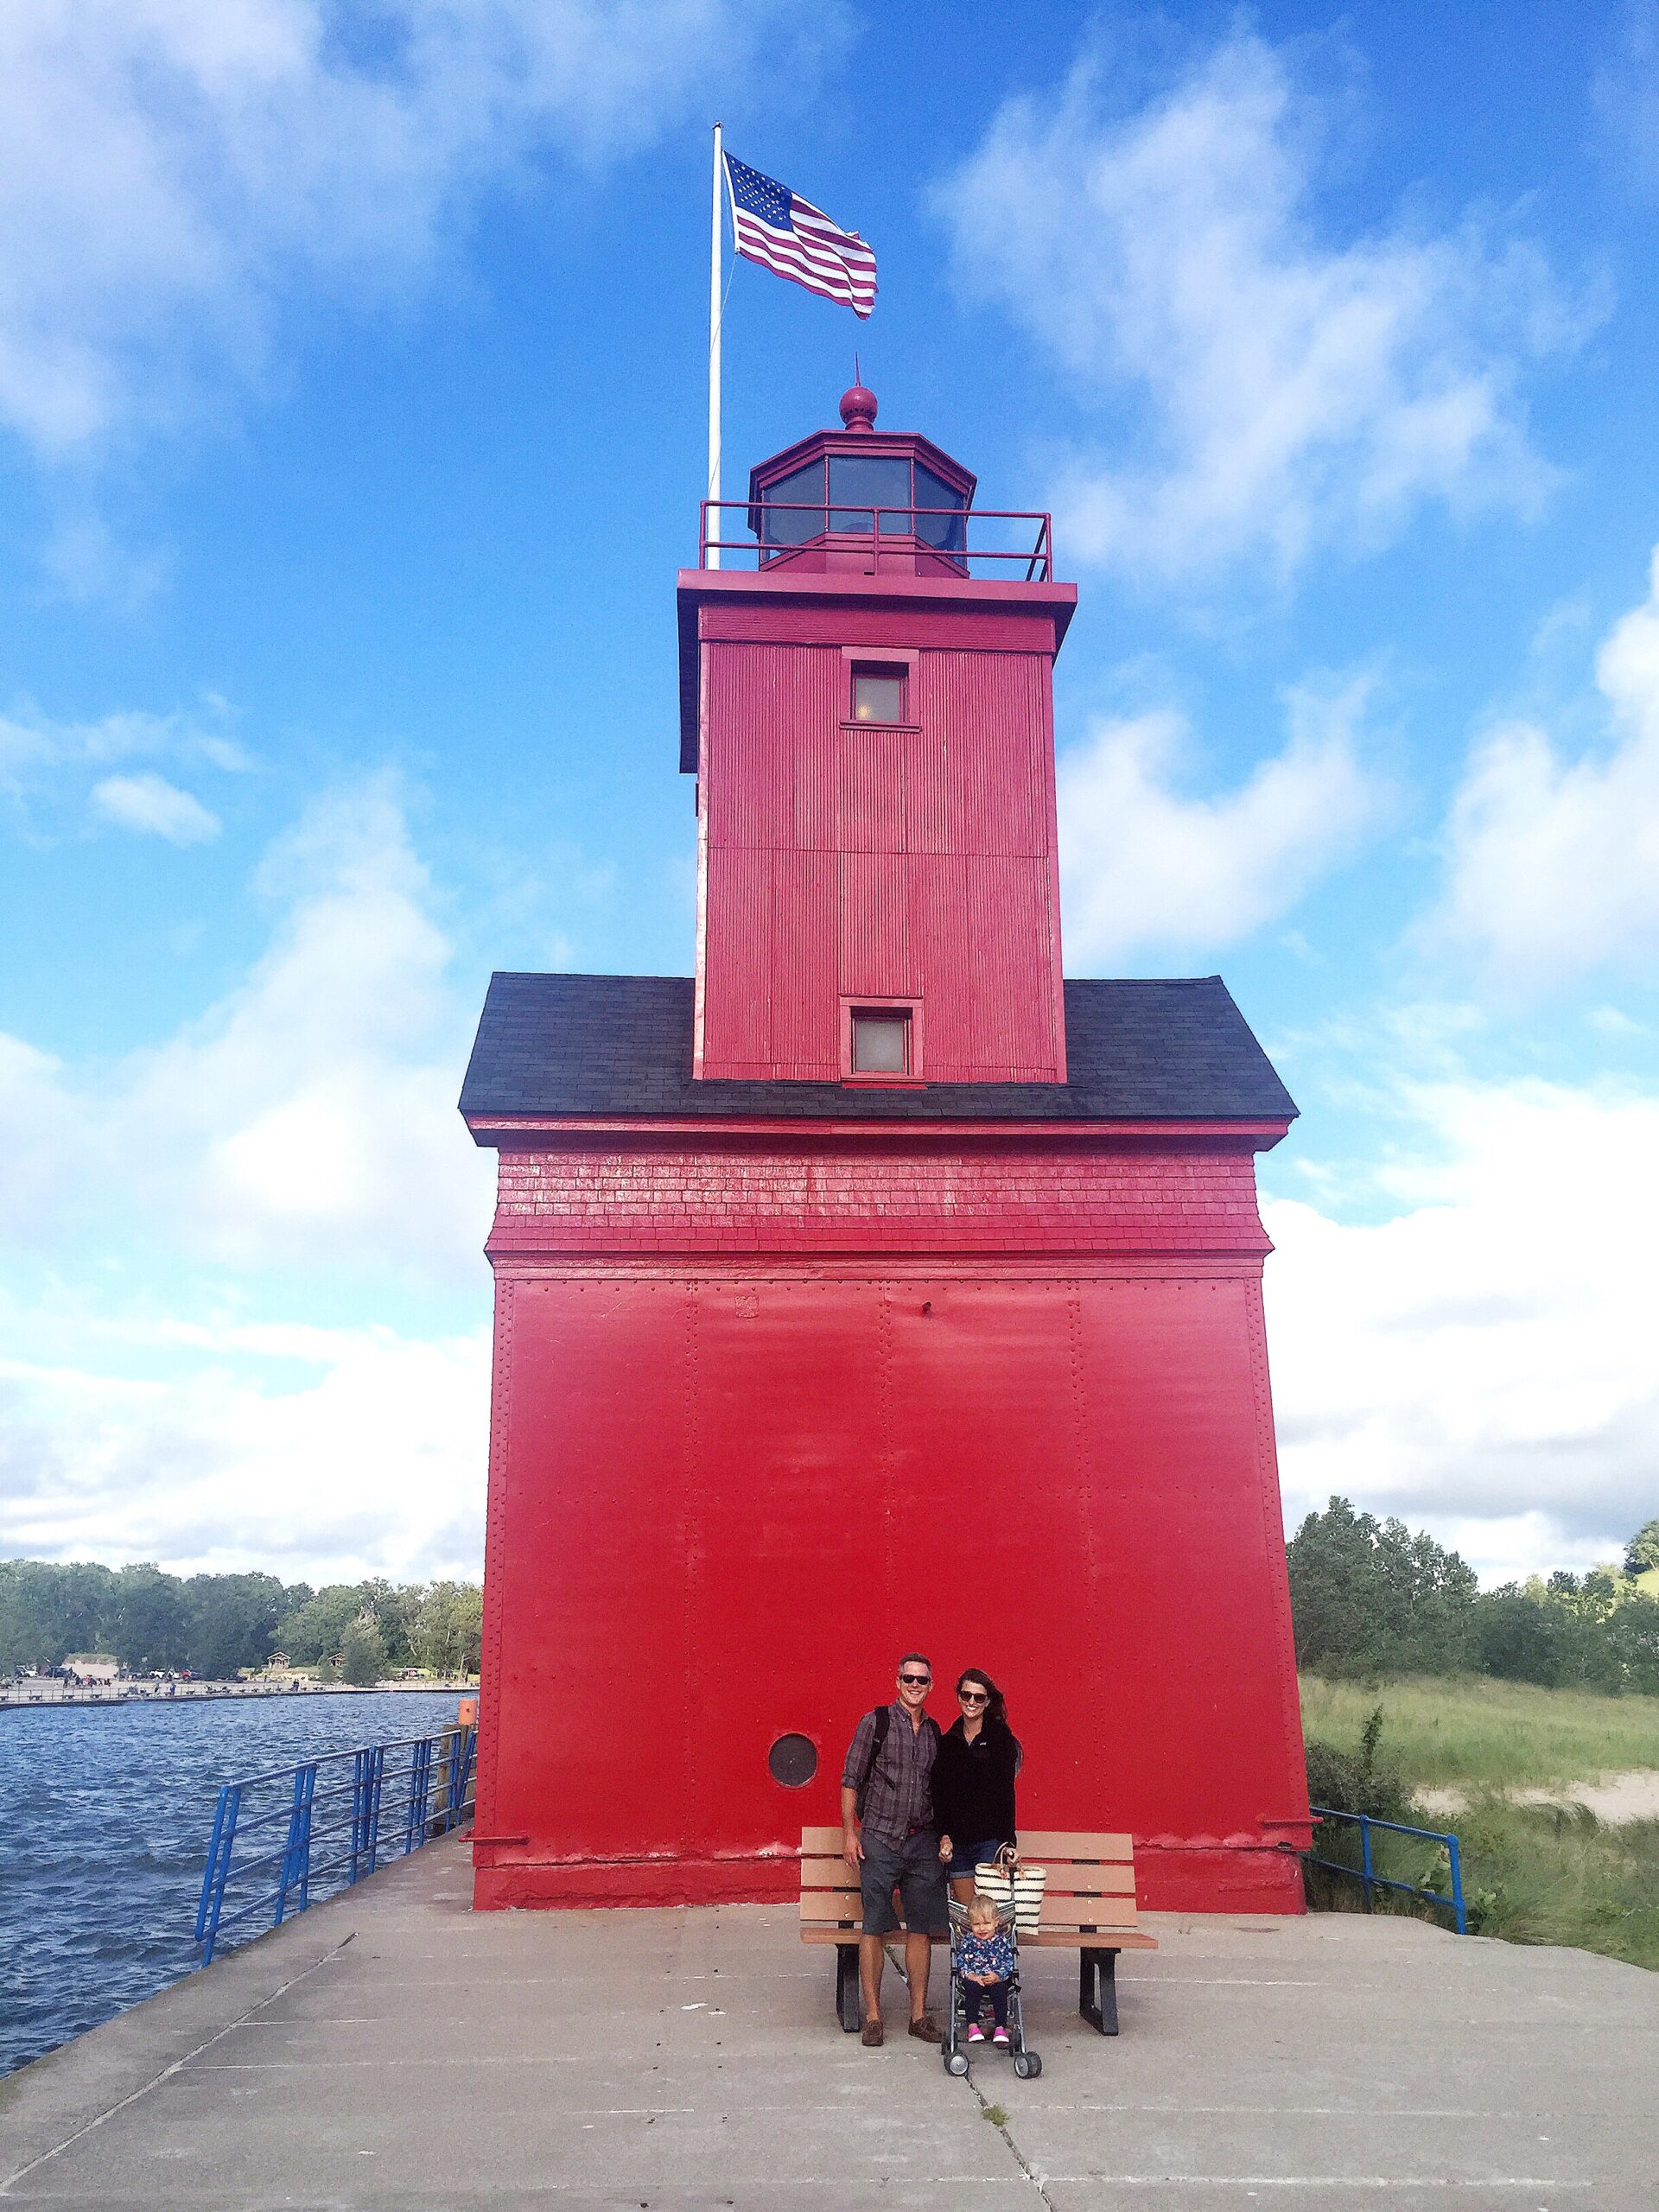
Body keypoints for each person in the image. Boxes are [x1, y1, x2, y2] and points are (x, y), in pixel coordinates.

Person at [840, 1653, 949, 2048]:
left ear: (931, 1685)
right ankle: (873, 2017)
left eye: (922, 1680)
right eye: (909, 1678)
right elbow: (851, 1778)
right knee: (875, 1926)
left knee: (921, 1928)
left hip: (922, 1842)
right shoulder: (876, 1723)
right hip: (880, 1839)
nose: (915, 1685)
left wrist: (945, 1835)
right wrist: (850, 1834)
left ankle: (918, 2016)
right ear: (897, 1681)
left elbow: (943, 1790)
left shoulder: (936, 1732)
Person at [932, 1667, 1020, 1903]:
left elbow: (1005, 1794)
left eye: (978, 1697)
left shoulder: (1000, 1739)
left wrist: (1007, 1842)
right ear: (959, 1696)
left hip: (988, 1842)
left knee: (988, 1918)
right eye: (966, 1695)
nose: (971, 1702)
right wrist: (944, 1836)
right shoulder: (949, 1741)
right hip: (957, 1844)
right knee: (966, 1915)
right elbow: (940, 1795)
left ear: (987, 1701)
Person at [957, 1892, 1015, 2046]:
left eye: (987, 1923)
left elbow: (1008, 1963)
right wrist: (971, 1975)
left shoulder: (1001, 1942)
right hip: (975, 1979)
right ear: (970, 1925)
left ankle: (1000, 2027)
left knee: (1000, 1991)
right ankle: (973, 2026)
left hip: (996, 1979)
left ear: (996, 1922)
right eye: (977, 1924)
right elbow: (961, 1961)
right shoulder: (968, 1941)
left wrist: (998, 1975)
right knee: (971, 1990)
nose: (982, 1928)